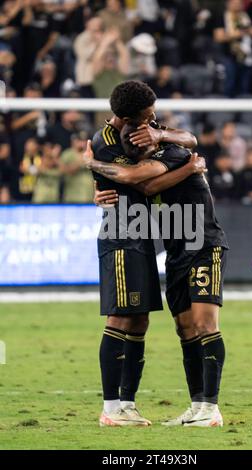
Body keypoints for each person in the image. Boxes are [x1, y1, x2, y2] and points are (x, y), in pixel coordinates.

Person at [88, 119, 228, 428]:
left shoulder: (176, 154)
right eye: (136, 148)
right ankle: (197, 406)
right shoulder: (158, 163)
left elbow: (146, 184)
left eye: (145, 144)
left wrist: (93, 163)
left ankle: (211, 408)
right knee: (186, 329)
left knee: (204, 323)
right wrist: (98, 191)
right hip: (177, 253)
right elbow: (134, 188)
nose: (142, 150)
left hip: (204, 245)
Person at [84, 80, 198, 427]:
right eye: (147, 117)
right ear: (125, 118)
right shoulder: (103, 143)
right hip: (120, 233)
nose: (153, 120)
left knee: (140, 319)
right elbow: (135, 179)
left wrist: (162, 136)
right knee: (120, 317)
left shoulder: (144, 128)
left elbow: (189, 138)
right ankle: (111, 408)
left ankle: (127, 404)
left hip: (142, 234)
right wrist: (91, 165)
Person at [213, 0, 252, 97]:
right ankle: (226, 106)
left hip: (246, 56)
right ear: (228, 4)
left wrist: (250, 31)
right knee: (230, 81)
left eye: (239, 3)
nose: (237, 6)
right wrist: (236, 34)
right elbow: (218, 37)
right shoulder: (222, 16)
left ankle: (243, 107)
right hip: (227, 55)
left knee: (244, 85)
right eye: (234, 3)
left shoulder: (247, 16)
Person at [61, 131, 94, 203]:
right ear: (73, 141)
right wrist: (81, 161)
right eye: (79, 140)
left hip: (89, 197)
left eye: (84, 140)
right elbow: (64, 171)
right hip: (72, 198)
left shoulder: (92, 153)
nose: (82, 143)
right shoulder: (67, 154)